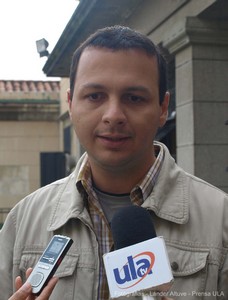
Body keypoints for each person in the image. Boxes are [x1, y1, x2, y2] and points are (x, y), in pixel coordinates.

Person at [0, 25, 227, 300]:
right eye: (95, 96)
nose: (114, 115)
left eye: (134, 98)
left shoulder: (221, 222)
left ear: (163, 108)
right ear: (70, 104)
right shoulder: (22, 221)